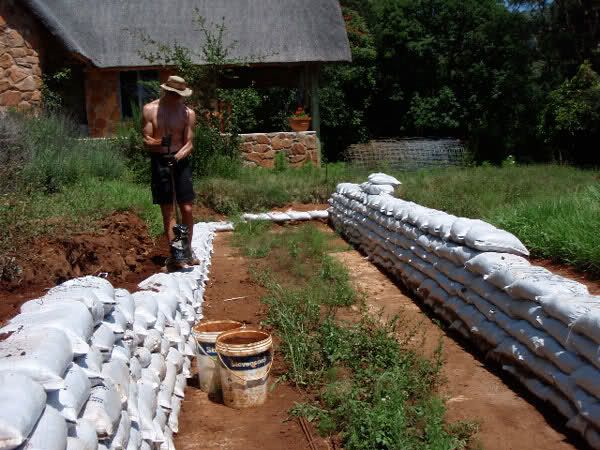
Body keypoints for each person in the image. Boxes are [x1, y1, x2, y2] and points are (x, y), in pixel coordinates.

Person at [142, 75, 199, 265]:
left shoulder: (187, 113)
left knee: (187, 208)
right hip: (160, 161)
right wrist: (160, 143)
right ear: (166, 90)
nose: (178, 97)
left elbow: (189, 143)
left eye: (180, 94)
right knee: (167, 210)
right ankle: (176, 255)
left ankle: (188, 251)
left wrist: (177, 157)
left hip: (180, 160)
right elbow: (147, 141)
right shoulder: (150, 110)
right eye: (175, 93)